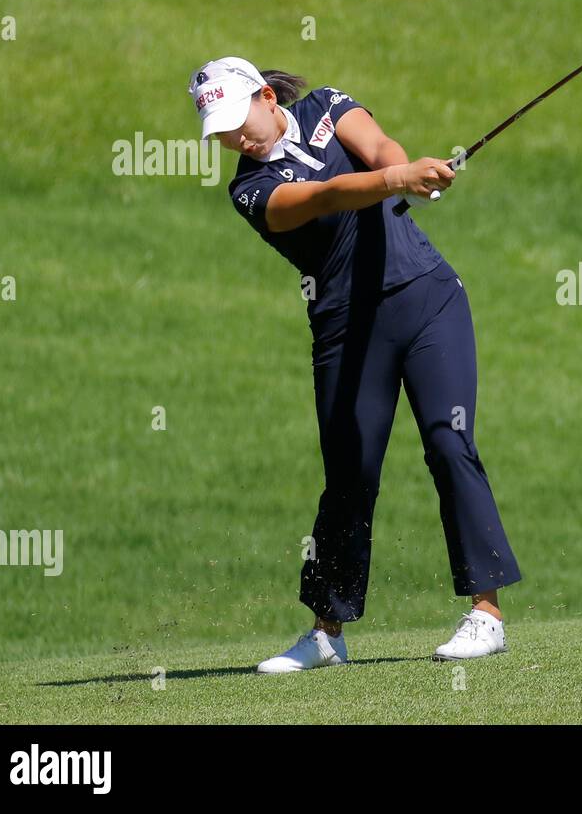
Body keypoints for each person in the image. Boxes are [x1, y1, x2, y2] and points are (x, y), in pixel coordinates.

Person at [187, 57, 521, 672]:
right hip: (346, 328)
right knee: (349, 474)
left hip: (426, 297)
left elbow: (376, 146)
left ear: (265, 96)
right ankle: (325, 634)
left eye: (238, 120)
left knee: (450, 442)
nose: (234, 137)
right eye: (221, 132)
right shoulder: (249, 190)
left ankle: (486, 614)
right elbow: (326, 196)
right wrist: (399, 179)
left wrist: (411, 169)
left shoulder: (326, 106)